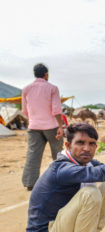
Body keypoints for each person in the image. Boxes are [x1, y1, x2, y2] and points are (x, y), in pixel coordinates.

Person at [22, 63, 64, 191]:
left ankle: (30, 182)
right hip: (51, 126)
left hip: (34, 127)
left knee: (33, 154)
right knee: (57, 154)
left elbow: (25, 111)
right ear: (46, 74)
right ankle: (61, 179)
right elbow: (56, 110)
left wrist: (34, 120)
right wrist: (61, 126)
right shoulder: (53, 88)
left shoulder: (26, 89)